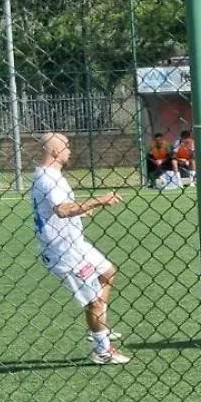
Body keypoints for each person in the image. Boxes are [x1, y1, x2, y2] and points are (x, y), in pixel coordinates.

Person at [30, 133, 128, 364]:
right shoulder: (48, 178)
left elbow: (57, 210)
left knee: (108, 272)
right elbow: (62, 210)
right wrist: (99, 201)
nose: (70, 151)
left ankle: (98, 324)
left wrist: (82, 210)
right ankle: (102, 350)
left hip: (76, 243)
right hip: (64, 251)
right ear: (54, 151)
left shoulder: (49, 176)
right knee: (93, 301)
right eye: (66, 147)